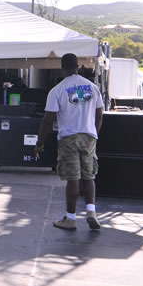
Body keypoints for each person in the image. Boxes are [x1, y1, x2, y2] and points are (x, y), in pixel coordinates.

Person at [36, 53, 104, 230]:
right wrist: (94, 133)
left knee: (73, 179)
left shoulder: (57, 90)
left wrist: (40, 142)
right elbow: (99, 113)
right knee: (89, 176)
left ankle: (71, 218)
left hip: (68, 138)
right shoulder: (92, 87)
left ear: (62, 68)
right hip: (89, 136)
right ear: (78, 66)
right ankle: (91, 212)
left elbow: (47, 120)